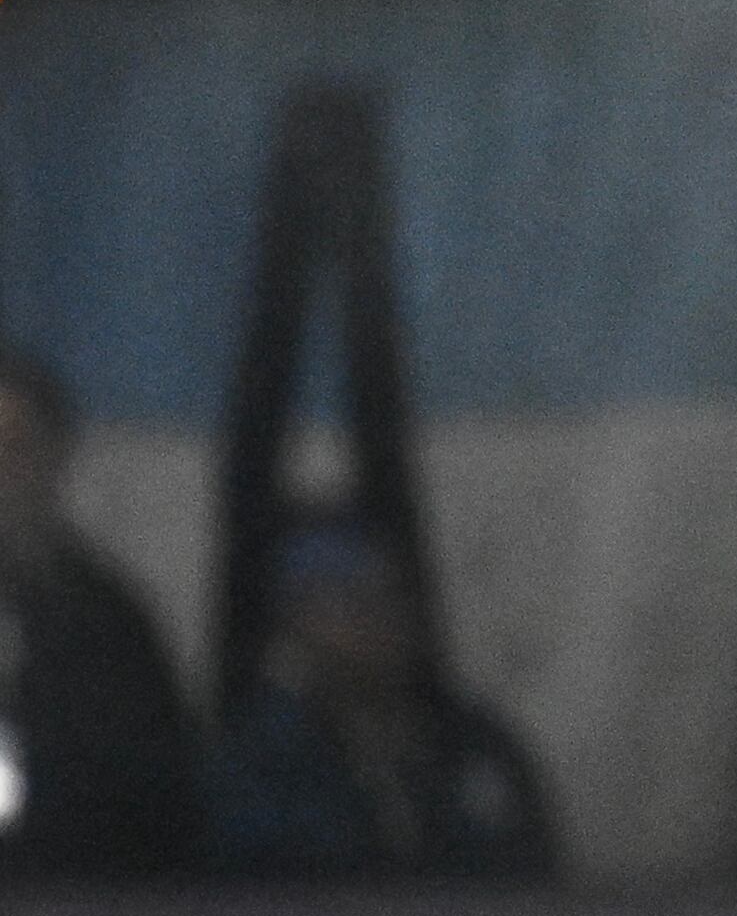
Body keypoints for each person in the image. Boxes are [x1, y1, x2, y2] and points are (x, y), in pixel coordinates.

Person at [198, 520, 552, 879]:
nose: (374, 621)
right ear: (296, 622)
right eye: (347, 601)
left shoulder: (472, 744)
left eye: (387, 597)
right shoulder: (262, 762)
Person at [0, 350, 203, 878]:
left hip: (81, 904)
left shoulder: (108, 617)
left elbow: (157, 788)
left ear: (54, 460)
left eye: (15, 452)